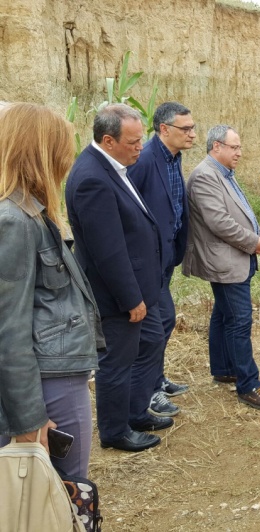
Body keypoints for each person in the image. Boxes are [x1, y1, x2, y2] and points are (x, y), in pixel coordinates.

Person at [0, 103, 102, 476]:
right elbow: (8, 331)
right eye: (62, 147)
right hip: (48, 383)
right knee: (63, 491)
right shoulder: (13, 220)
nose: (68, 158)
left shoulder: (31, 213)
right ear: (40, 151)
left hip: (56, 374)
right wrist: (27, 420)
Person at [66, 104, 171, 453]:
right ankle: (115, 431)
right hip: (119, 295)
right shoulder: (92, 179)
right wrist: (130, 299)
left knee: (152, 340)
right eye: (134, 141)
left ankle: (137, 411)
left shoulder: (113, 166)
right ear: (108, 140)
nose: (141, 147)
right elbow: (107, 251)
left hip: (142, 286)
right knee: (117, 362)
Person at [182, 125, 260, 409]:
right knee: (239, 320)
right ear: (216, 147)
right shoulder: (204, 176)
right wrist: (254, 242)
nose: (240, 152)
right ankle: (248, 384)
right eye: (234, 147)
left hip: (232, 257)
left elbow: (239, 212)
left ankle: (224, 368)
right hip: (224, 260)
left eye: (239, 147)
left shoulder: (221, 173)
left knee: (224, 315)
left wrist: (255, 235)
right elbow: (219, 222)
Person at [129, 102, 194, 417]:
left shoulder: (172, 158)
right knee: (159, 324)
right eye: (186, 129)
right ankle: (149, 392)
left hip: (166, 257)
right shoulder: (143, 160)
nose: (193, 134)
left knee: (163, 321)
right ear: (164, 129)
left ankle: (155, 379)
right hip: (148, 261)